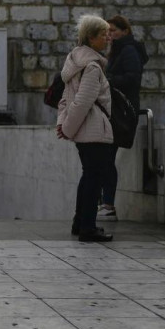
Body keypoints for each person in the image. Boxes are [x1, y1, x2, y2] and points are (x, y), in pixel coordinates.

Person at [55, 14, 114, 243]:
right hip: (93, 130)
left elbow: (65, 99)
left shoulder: (74, 62)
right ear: (91, 38)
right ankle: (88, 228)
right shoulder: (92, 67)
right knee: (94, 179)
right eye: (102, 35)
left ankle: (80, 223)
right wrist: (67, 129)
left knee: (88, 177)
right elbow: (81, 102)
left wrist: (63, 124)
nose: (107, 39)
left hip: (83, 131)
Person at [100, 15, 149, 222]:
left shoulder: (128, 50)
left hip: (122, 112)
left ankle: (108, 204)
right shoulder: (119, 51)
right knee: (104, 157)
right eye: (107, 31)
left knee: (107, 157)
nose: (109, 34)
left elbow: (132, 78)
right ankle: (105, 203)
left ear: (125, 31)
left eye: (113, 30)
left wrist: (107, 80)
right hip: (116, 111)